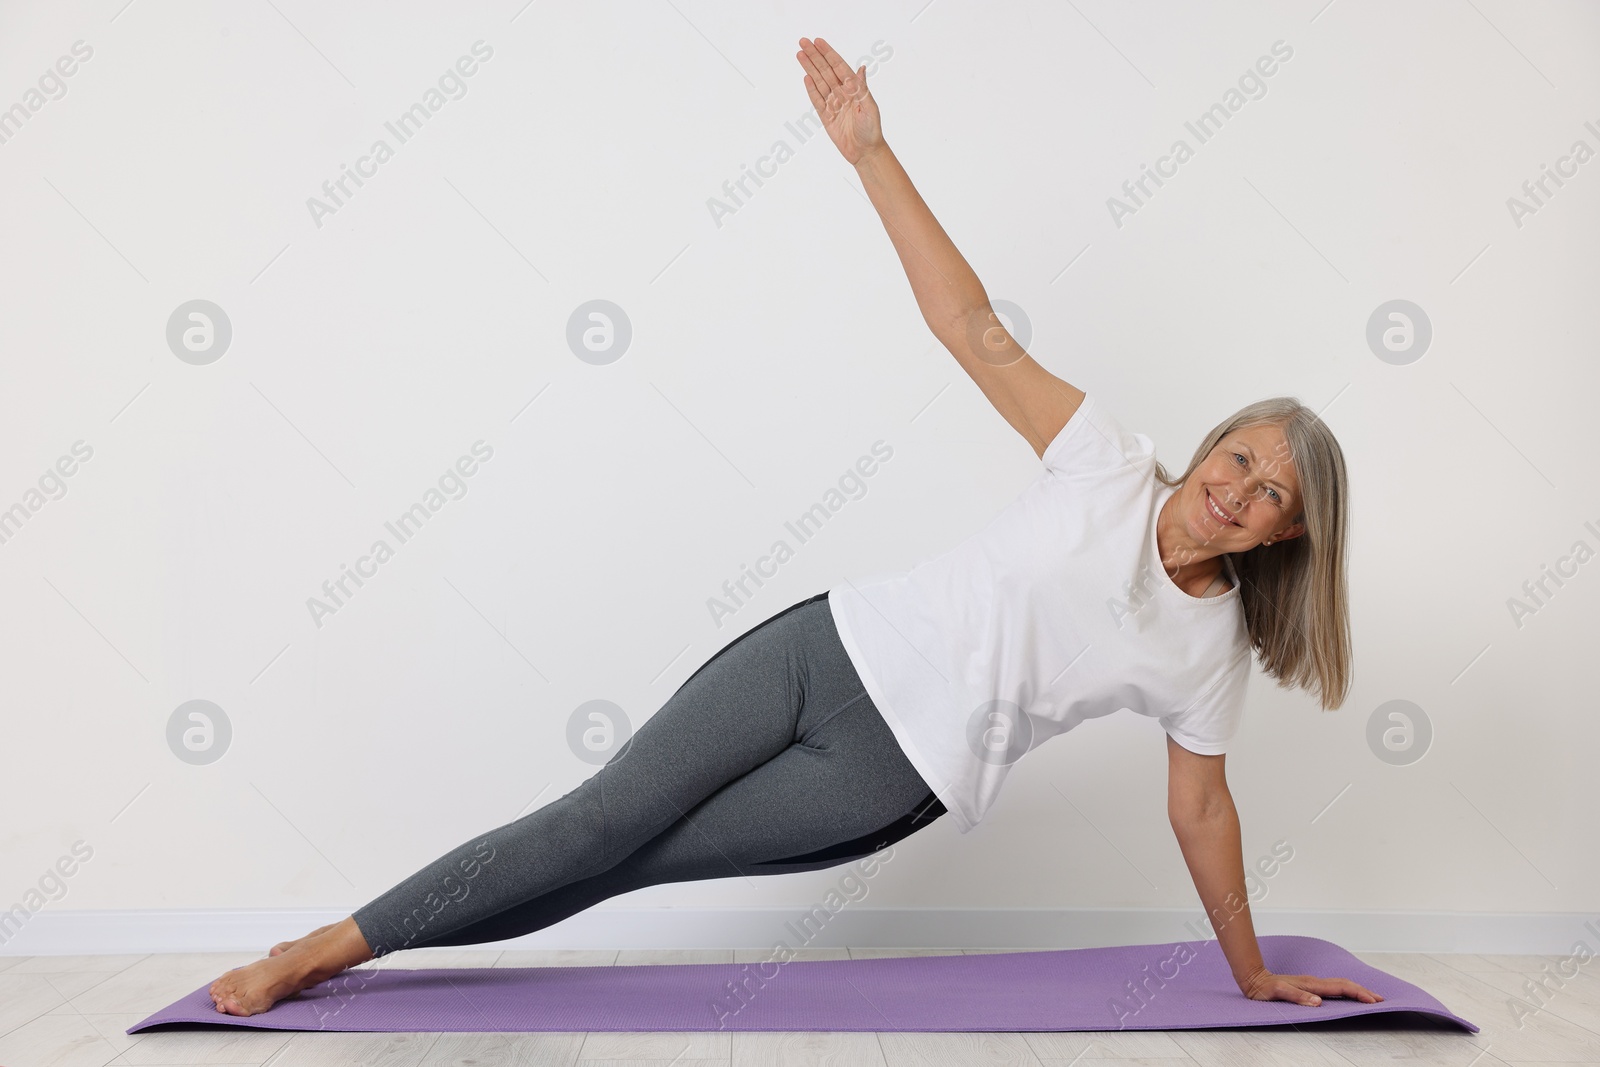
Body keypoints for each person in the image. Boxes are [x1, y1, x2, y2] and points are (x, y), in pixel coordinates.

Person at [207, 35, 1382, 1018]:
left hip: (889, 770)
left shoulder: (1209, 653)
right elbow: (967, 324)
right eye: (1240, 455)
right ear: (1214, 443)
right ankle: (326, 946)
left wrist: (1249, 968)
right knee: (598, 818)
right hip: (824, 649)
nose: (1237, 487)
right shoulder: (1106, 459)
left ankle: (358, 951)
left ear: (1285, 534)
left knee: (625, 863)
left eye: (1271, 491)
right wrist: (871, 152)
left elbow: (1200, 806)